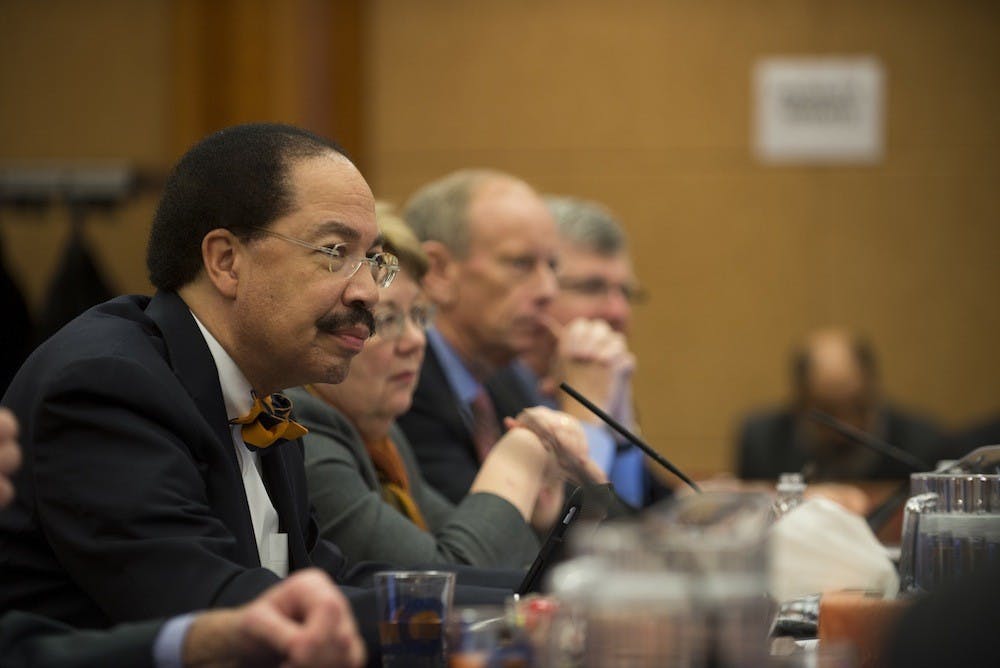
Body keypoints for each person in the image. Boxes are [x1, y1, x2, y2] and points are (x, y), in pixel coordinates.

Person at [0, 124, 530, 666]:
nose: (369, 292)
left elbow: (324, 581)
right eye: (334, 252)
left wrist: (523, 605)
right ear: (226, 261)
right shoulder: (107, 385)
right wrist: (488, 624)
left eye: (372, 260)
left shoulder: (261, 391)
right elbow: (218, 609)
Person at [288, 207, 603, 570]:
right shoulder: (303, 429)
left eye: (419, 316)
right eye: (385, 320)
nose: (415, 341)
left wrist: (542, 519)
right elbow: (445, 575)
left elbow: (487, 570)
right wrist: (518, 459)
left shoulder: (385, 440)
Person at [0, 407, 366, 668]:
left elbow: (319, 571)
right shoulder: (113, 385)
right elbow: (201, 596)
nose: (372, 325)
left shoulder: (268, 405)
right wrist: (401, 612)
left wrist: (207, 640)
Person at [488, 195, 673, 508]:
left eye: (625, 292)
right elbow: (568, 526)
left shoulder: (598, 376)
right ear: (539, 289)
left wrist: (621, 429)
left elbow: (636, 517)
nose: (618, 311)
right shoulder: (489, 388)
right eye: (592, 287)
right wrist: (587, 410)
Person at [396, 169, 563, 503]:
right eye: (520, 264)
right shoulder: (404, 380)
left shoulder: (501, 378)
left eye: (552, 266)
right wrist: (587, 418)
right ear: (438, 271)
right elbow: (480, 528)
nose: (549, 290)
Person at [735, 328, 942, 480]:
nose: (846, 425)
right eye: (827, 413)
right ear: (800, 404)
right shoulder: (764, 443)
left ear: (874, 391)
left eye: (858, 408)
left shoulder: (920, 448)